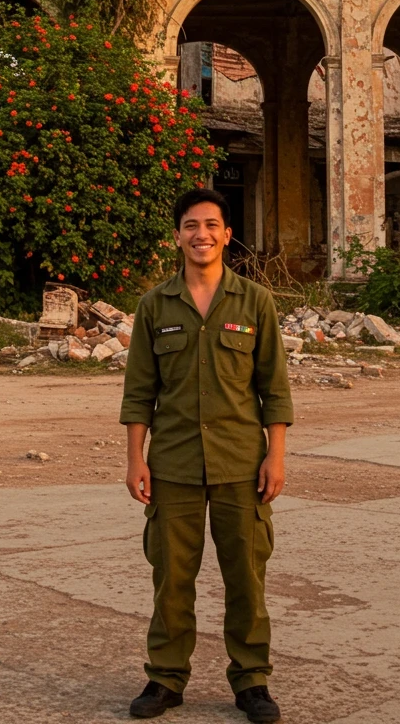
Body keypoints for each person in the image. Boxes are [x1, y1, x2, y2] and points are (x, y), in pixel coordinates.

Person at [121, 188, 293, 723]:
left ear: (226, 234)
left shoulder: (255, 301)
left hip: (242, 462)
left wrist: (276, 456)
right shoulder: (155, 305)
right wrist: (135, 459)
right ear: (178, 236)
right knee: (171, 576)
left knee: (246, 574)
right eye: (191, 225)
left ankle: (251, 681)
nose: (202, 234)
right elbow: (138, 393)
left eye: (212, 225)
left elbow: (275, 389)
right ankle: (165, 679)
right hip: (172, 463)